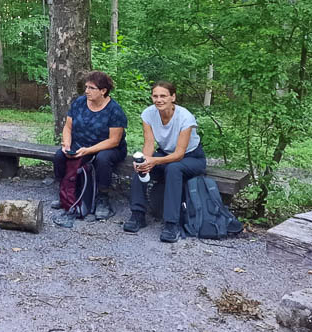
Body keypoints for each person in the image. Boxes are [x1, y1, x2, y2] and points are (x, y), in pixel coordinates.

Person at [123, 80, 206, 243]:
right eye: (155, 96)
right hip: (164, 155)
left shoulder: (185, 117)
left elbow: (179, 154)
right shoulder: (148, 114)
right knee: (141, 166)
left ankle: (171, 224)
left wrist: (154, 160)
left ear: (172, 97)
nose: (159, 100)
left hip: (192, 157)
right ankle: (138, 214)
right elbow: (149, 144)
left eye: (163, 96)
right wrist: (145, 160)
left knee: (174, 169)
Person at [52, 71, 128, 223]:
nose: (86, 91)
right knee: (59, 156)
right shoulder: (79, 103)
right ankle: (67, 193)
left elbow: (114, 140)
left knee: (102, 159)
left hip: (109, 148)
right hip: (81, 144)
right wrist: (67, 144)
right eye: (86, 87)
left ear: (103, 91)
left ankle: (103, 198)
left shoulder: (115, 110)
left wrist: (89, 150)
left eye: (92, 88)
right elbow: (68, 127)